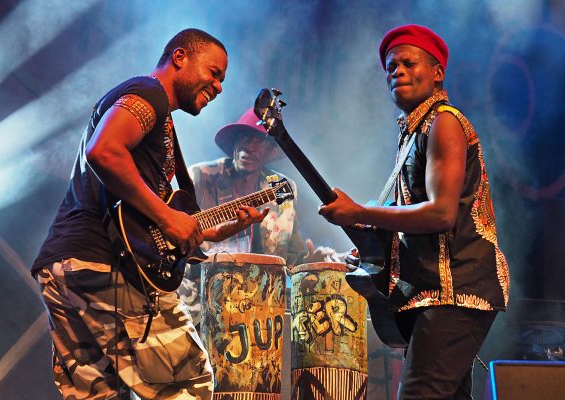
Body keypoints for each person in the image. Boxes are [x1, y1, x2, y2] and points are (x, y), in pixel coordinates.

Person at [31, 29, 269, 400]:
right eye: (214, 72)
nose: (219, 86)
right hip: (106, 266)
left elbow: (141, 220)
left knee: (99, 394)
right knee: (187, 383)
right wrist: (167, 217)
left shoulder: (155, 115)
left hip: (66, 266)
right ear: (180, 58)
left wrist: (208, 231)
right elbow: (104, 152)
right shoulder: (148, 95)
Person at [318, 24, 510, 399]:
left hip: (456, 291)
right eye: (390, 67)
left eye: (408, 63)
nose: (397, 72)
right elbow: (417, 220)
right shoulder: (414, 131)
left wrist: (363, 212)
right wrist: (376, 248)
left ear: (437, 72)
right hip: (434, 293)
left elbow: (441, 214)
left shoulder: (445, 123)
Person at [177, 108, 340, 324]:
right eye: (244, 137)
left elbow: (291, 256)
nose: (249, 146)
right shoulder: (201, 177)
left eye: (259, 140)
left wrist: (313, 261)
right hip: (199, 294)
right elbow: (174, 233)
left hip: (257, 302)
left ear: (271, 152)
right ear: (234, 143)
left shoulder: (282, 188)